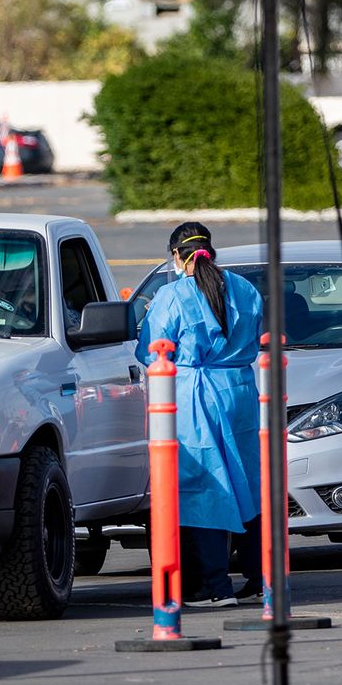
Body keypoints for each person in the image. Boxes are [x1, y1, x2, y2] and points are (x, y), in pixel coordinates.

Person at [137, 222, 263, 607]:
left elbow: (152, 350)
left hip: (195, 395)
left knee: (205, 486)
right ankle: (261, 577)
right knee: (248, 484)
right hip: (239, 391)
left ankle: (213, 586)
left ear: (177, 256)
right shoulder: (244, 289)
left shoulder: (172, 295)